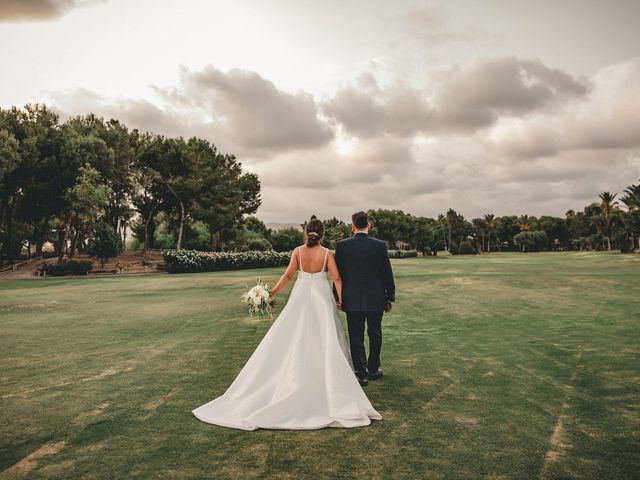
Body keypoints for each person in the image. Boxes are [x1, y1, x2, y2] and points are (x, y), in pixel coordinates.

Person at [192, 217, 381, 430]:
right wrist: (340, 299)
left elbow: (288, 275)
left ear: (306, 232)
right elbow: (337, 278)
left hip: (300, 299)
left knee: (293, 335)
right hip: (320, 301)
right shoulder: (327, 254)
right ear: (323, 234)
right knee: (324, 338)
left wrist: (270, 294)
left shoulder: (298, 252)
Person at [334, 211, 396, 387]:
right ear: (368, 225)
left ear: (352, 226)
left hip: (351, 299)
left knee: (356, 335)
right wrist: (390, 297)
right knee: (375, 333)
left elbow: (338, 275)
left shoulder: (342, 246)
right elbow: (387, 273)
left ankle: (361, 374)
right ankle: (374, 369)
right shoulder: (380, 246)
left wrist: (338, 297)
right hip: (376, 298)